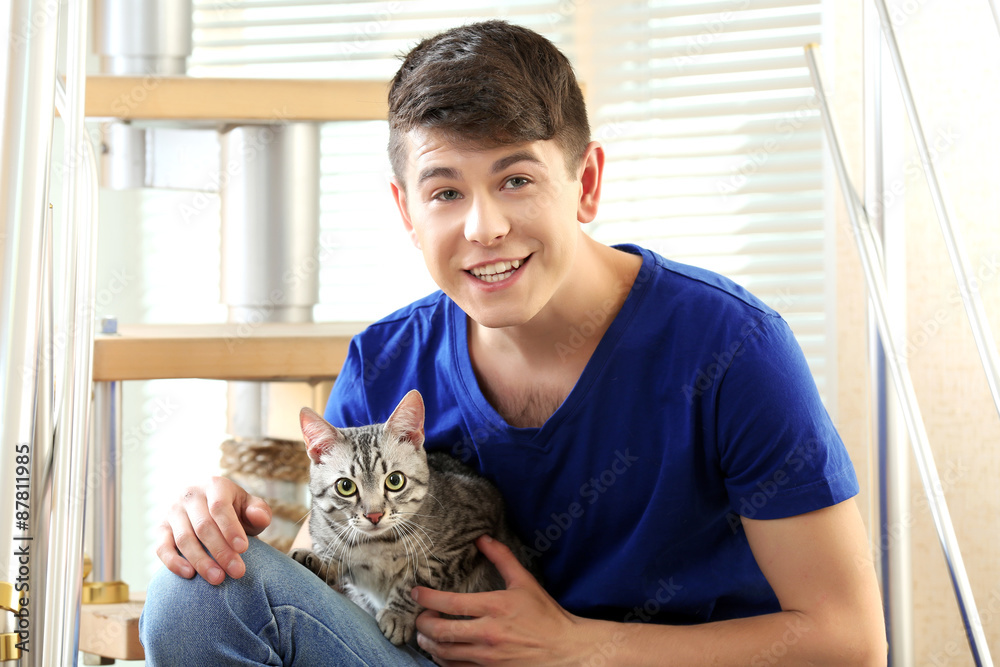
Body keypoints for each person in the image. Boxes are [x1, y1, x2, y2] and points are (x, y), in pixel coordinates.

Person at [140, 20, 887, 666]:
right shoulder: (384, 363)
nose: (484, 227)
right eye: (446, 192)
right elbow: (327, 568)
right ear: (407, 211)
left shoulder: (731, 346)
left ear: (585, 184)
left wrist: (577, 647)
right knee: (195, 596)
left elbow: (849, 640)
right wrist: (221, 528)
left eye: (517, 180)